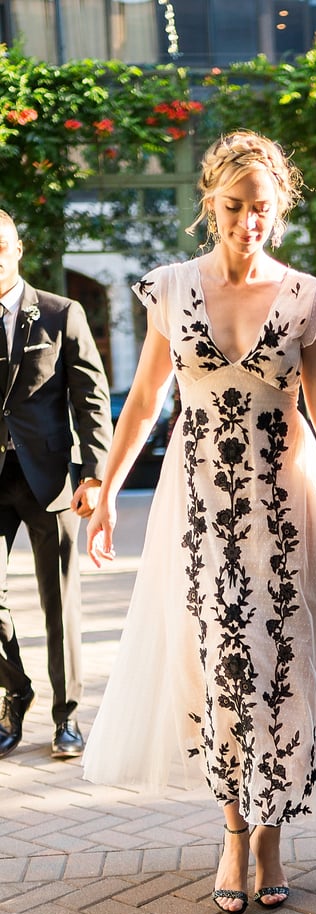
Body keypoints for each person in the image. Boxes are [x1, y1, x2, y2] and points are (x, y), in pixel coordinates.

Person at [82, 132, 316, 914]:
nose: (248, 223)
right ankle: (234, 833)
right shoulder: (169, 288)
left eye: (262, 209)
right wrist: (104, 493)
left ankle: (272, 831)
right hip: (199, 505)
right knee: (217, 662)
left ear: (280, 208)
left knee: (279, 660)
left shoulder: (306, 296)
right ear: (211, 204)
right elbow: (143, 404)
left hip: (285, 506)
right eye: (234, 208)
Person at [0, 210, 112, 760]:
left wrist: (93, 473)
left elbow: (90, 398)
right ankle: (14, 691)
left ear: (17, 249)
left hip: (49, 481)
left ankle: (66, 719)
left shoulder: (61, 313)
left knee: (59, 603)